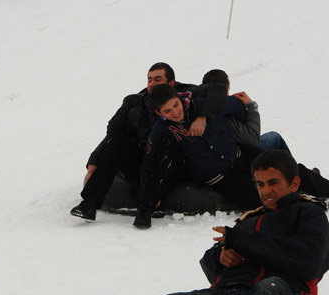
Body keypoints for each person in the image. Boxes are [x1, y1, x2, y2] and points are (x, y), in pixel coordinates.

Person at [51, 150, 329, 295]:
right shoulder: (251, 219)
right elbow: (213, 267)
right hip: (234, 291)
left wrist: (244, 242)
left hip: (284, 292)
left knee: (268, 290)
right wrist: (223, 258)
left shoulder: (308, 214)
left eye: (273, 182)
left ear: (294, 182)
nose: (266, 190)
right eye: (260, 184)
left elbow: (308, 261)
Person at [134, 82, 329, 228]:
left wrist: (221, 118)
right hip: (222, 178)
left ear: (179, 98)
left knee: (288, 169)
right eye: (168, 111)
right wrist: (147, 192)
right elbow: (149, 161)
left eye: (175, 105)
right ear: (158, 113)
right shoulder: (162, 130)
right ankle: (305, 207)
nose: (175, 112)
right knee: (255, 196)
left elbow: (234, 104)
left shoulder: (204, 107)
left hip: (243, 155)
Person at [70, 62, 228, 221]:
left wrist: (202, 118)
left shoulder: (184, 96)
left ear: (171, 83)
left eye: (157, 80)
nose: (152, 84)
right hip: (146, 160)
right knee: (119, 141)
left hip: (176, 163)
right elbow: (113, 134)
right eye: (149, 80)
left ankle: (147, 207)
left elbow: (218, 89)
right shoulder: (138, 103)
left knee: (169, 144)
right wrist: (94, 162)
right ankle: (89, 203)